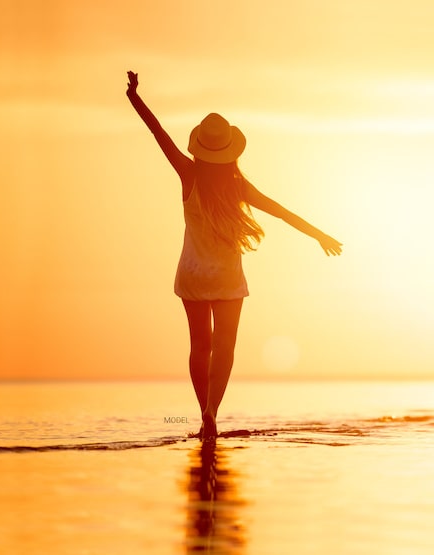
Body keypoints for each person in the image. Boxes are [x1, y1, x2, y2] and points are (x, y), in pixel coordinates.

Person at [125, 71, 342, 440]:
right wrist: (319, 235)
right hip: (226, 278)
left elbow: (158, 133)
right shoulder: (238, 185)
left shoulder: (188, 173)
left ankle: (202, 413)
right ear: (229, 149)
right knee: (224, 346)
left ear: (200, 146)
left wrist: (134, 97)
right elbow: (280, 211)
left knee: (200, 346)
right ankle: (212, 412)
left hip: (193, 274)